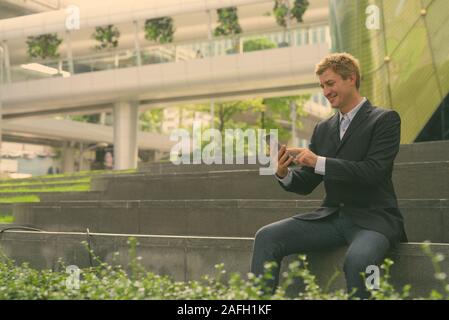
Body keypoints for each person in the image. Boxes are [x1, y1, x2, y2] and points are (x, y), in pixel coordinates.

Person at [250, 52, 408, 299]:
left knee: (358, 261)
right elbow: (306, 182)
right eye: (322, 86)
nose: (325, 91)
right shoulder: (323, 128)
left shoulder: (385, 120)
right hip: (333, 217)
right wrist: (283, 173)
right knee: (267, 237)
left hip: (375, 219)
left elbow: (374, 172)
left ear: (351, 79)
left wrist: (318, 160)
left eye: (330, 83)